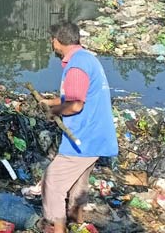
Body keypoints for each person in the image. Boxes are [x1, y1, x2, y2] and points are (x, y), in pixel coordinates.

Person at [38, 21, 118, 233]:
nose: (52, 44)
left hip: (83, 138)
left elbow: (75, 105)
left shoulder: (76, 66)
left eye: (52, 40)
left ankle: (56, 228)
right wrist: (52, 102)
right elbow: (77, 95)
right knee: (78, 183)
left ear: (57, 41)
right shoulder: (87, 59)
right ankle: (76, 222)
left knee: (52, 181)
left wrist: (54, 112)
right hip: (97, 137)